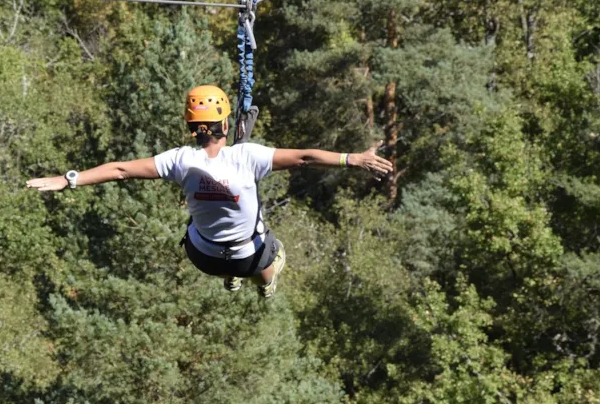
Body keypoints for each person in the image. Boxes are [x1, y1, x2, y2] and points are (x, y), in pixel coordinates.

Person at [26, 85, 393, 298]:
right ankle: (265, 284)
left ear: (192, 126)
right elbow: (304, 157)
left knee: (201, 226)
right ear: (226, 124)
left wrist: (68, 179)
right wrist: (354, 159)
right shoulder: (248, 157)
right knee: (269, 249)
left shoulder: (179, 161)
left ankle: (232, 275)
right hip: (248, 259)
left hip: (203, 259)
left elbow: (120, 170)